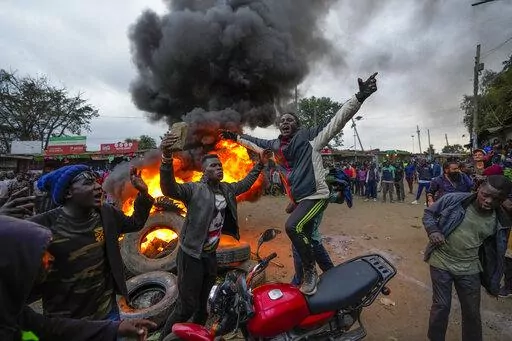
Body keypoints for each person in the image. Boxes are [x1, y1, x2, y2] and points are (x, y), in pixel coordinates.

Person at [221, 73, 378, 295]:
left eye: (290, 120)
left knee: (293, 227)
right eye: (282, 120)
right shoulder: (274, 146)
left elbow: (337, 119)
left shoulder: (310, 138)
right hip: (300, 200)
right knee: (309, 238)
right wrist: (232, 137)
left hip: (316, 195)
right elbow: (253, 143)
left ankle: (308, 272)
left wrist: (359, 97)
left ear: (297, 126)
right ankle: (331, 276)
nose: (286, 122)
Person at [158, 132, 271, 340]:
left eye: (220, 166)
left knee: (203, 306)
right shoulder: (194, 190)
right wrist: (166, 158)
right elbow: (169, 188)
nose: (219, 168)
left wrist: (260, 165)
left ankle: (196, 336)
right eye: (213, 166)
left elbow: (245, 184)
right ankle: (165, 337)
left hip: (210, 255)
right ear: (204, 170)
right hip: (191, 255)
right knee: (185, 306)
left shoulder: (226, 190)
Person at [0, 215, 156, 341]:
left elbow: (48, 328)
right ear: (16, 260)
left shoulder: (12, 309)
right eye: (41, 252)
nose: (51, 258)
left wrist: (115, 328)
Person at [29, 165, 154, 321]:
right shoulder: (43, 225)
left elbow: (135, 222)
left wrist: (143, 193)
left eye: (96, 181)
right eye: (88, 182)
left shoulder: (106, 213)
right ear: (68, 192)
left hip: (107, 312)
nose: (98, 186)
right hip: (65, 320)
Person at [422, 175, 512, 341]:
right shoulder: (454, 199)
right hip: (441, 260)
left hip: (469, 267)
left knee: (472, 311)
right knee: (441, 306)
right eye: (485, 194)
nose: (488, 201)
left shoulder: (502, 220)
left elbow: (495, 254)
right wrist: (433, 230)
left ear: (504, 200)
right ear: (479, 188)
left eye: (496, 199)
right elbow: (429, 213)